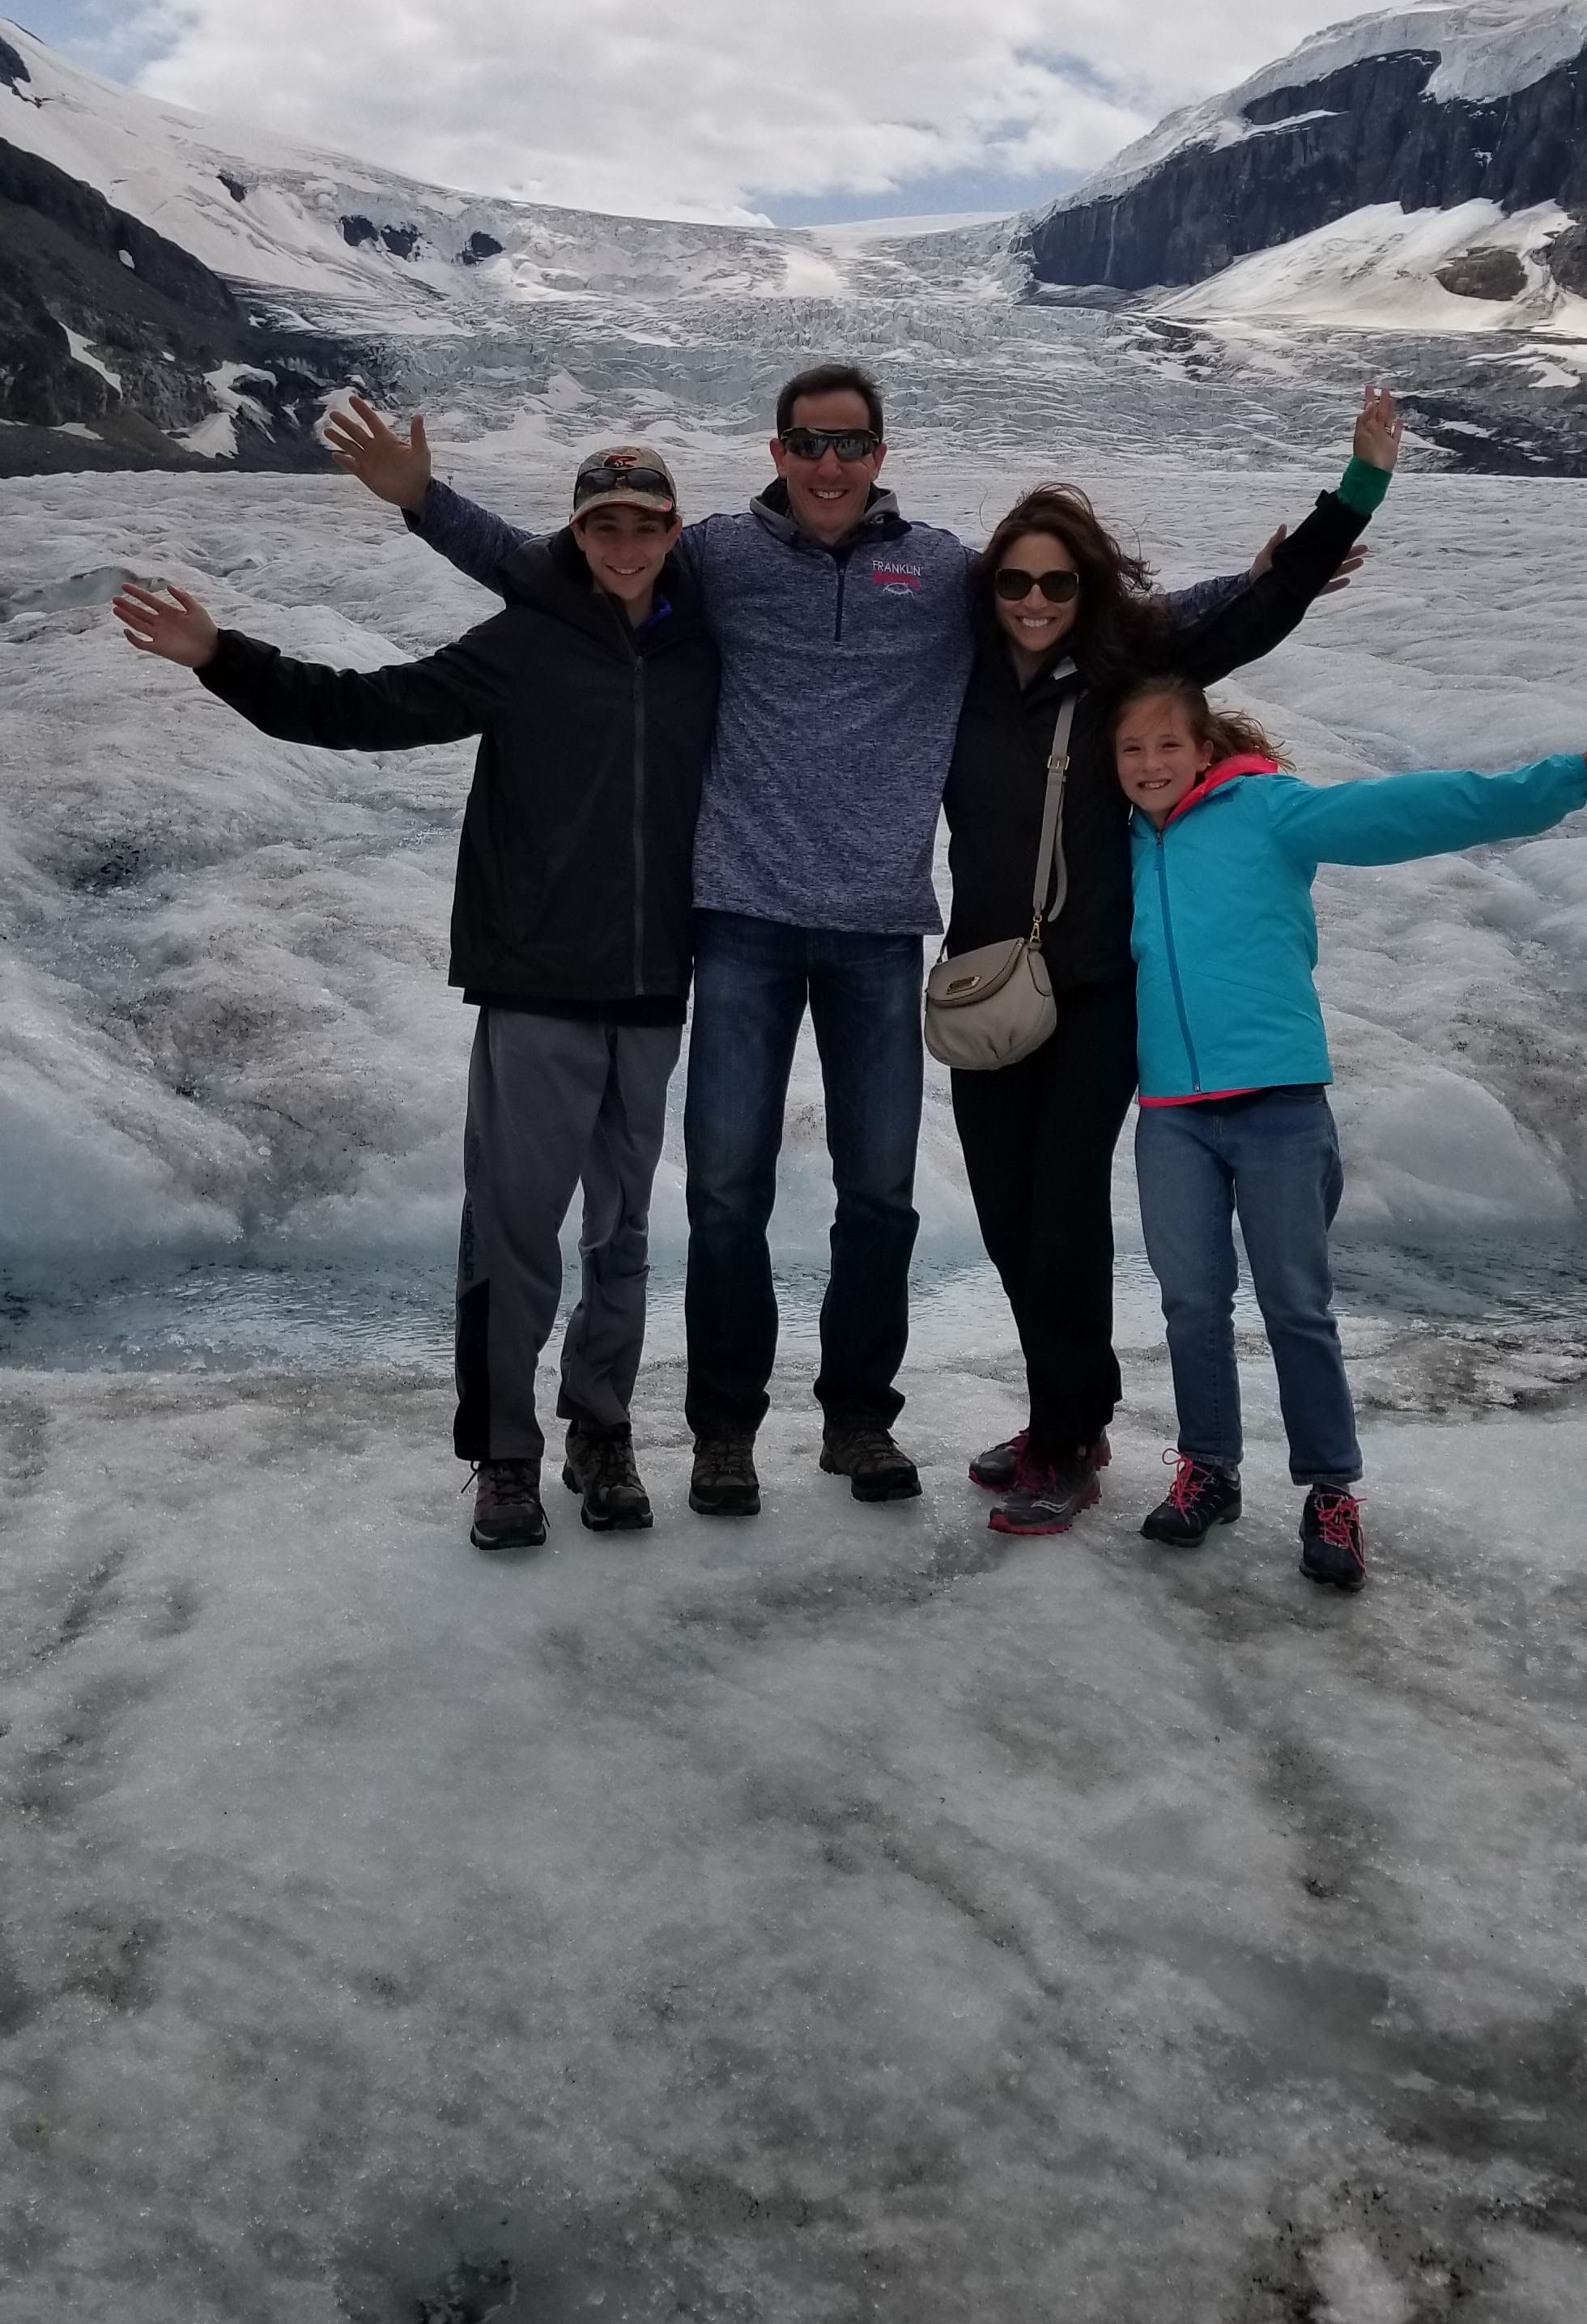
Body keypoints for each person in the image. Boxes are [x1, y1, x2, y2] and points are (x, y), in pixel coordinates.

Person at [325, 370, 1361, 1520]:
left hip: (877, 930)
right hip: (742, 920)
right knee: (725, 1193)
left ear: (878, 452)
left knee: (877, 1196)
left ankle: (859, 1419)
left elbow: (1101, 618)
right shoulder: (716, 555)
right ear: (778, 449)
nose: (830, 464)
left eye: (851, 443)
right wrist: (425, 502)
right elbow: (568, 570)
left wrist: (1276, 576)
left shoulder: (943, 574)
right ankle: (725, 1431)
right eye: (811, 443)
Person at [111, 445, 717, 1556]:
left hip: (653, 986)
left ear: (677, 533)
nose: (626, 545)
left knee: (622, 1232)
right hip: (536, 981)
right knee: (515, 1234)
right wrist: (221, 657)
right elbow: (365, 709)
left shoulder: (704, 653)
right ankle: (505, 1457)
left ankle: (602, 1429)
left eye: (646, 525)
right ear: (576, 538)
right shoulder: (527, 644)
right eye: (604, 527)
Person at [942, 389, 1402, 1540]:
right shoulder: (948, 675)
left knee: (1061, 1221)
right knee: (1006, 1219)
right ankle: (1078, 1412)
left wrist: (1354, 494)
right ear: (989, 590)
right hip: (990, 988)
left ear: (1087, 589)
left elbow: (1246, 616)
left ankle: (1063, 1444)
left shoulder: (1120, 667)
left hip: (1098, 993)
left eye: (1057, 581)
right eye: (1015, 581)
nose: (1036, 601)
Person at [1113, 671, 1587, 1588]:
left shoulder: (1268, 812)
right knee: (1189, 1303)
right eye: (1131, 750)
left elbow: (1405, 810)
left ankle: (1330, 1492)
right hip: (1171, 1113)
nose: (1149, 764)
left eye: (1167, 744)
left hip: (1278, 1105)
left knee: (1295, 1305)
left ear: (1204, 748)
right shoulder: (1121, 843)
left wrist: (1563, 779)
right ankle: (1207, 1470)